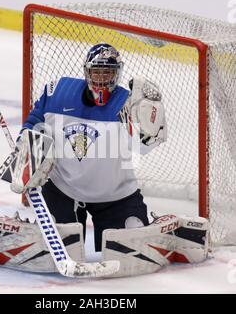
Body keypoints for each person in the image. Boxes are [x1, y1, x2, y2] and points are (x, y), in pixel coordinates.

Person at [16, 43, 166, 252]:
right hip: (63, 190)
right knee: (52, 250)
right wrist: (27, 148)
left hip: (115, 195)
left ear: (117, 73)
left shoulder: (128, 103)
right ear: (86, 72)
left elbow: (143, 147)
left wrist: (150, 130)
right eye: (97, 72)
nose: (102, 78)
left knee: (128, 251)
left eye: (108, 72)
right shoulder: (58, 92)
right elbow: (35, 123)